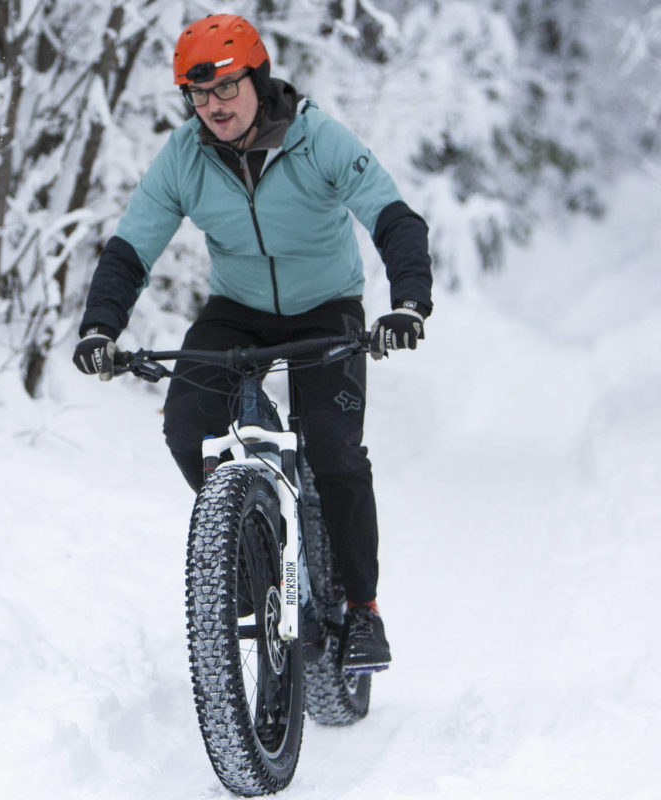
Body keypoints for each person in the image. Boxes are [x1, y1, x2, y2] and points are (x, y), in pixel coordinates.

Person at [72, 13, 432, 672]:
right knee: (187, 427)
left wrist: (407, 303)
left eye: (226, 89)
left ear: (257, 79)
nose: (214, 107)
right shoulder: (184, 156)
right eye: (198, 95)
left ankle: (360, 611)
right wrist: (101, 325)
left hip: (326, 310)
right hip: (236, 312)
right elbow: (132, 245)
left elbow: (392, 216)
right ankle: (246, 551)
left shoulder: (317, 138)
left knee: (333, 450)